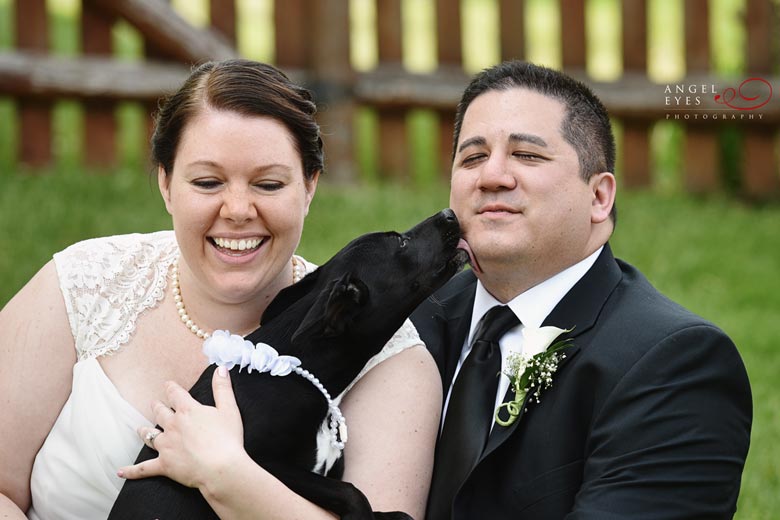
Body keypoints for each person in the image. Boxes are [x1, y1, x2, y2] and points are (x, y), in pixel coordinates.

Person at [0, 59, 442, 519]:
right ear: (166, 184)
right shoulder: (81, 285)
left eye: (268, 183)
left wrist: (230, 478)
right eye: (208, 182)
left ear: (309, 187)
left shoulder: (389, 358)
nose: (237, 209)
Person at [411, 61, 752, 519]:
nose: (491, 176)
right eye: (472, 158)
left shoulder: (676, 365)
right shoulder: (406, 323)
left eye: (527, 155)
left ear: (599, 197)